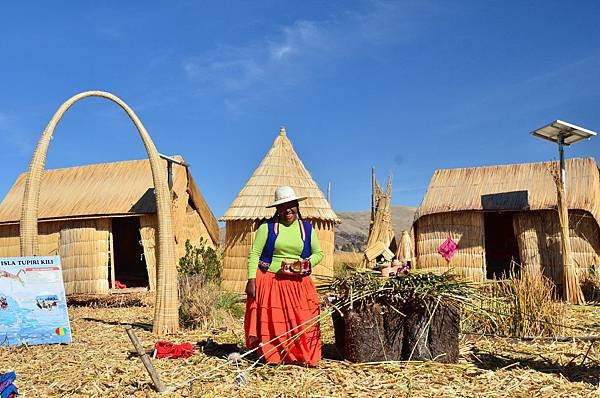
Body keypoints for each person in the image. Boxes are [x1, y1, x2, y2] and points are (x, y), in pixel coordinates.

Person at [244, 186, 324, 366]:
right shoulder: (267, 228)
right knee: (274, 323)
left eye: (290, 205)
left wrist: (307, 263)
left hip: (298, 282)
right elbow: (254, 254)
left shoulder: (307, 229)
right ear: (277, 209)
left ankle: (301, 356)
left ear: (297, 205)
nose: (287, 209)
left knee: (304, 320)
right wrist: (251, 279)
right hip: (271, 281)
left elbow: (319, 253)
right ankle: (275, 356)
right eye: (282, 206)